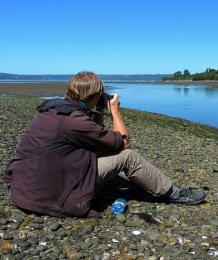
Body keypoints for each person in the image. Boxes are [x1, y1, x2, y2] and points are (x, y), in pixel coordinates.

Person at [5, 72, 206, 218]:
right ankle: (174, 193)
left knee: (102, 154)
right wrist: (114, 111)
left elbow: (97, 141)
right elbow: (123, 144)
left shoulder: (55, 109)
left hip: (24, 189)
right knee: (129, 158)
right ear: (93, 96)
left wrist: (97, 110)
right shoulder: (75, 121)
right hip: (50, 195)